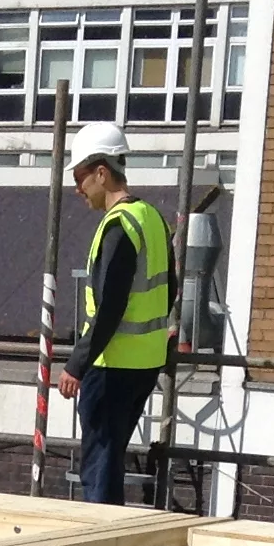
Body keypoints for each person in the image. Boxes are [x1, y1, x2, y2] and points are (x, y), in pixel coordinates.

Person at [55, 121, 170, 506]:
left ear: (102, 173)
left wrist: (76, 364)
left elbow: (109, 308)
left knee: (100, 464)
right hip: (146, 363)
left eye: (81, 177)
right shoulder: (151, 217)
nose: (77, 189)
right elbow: (169, 287)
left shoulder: (119, 226)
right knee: (111, 458)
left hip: (112, 366)